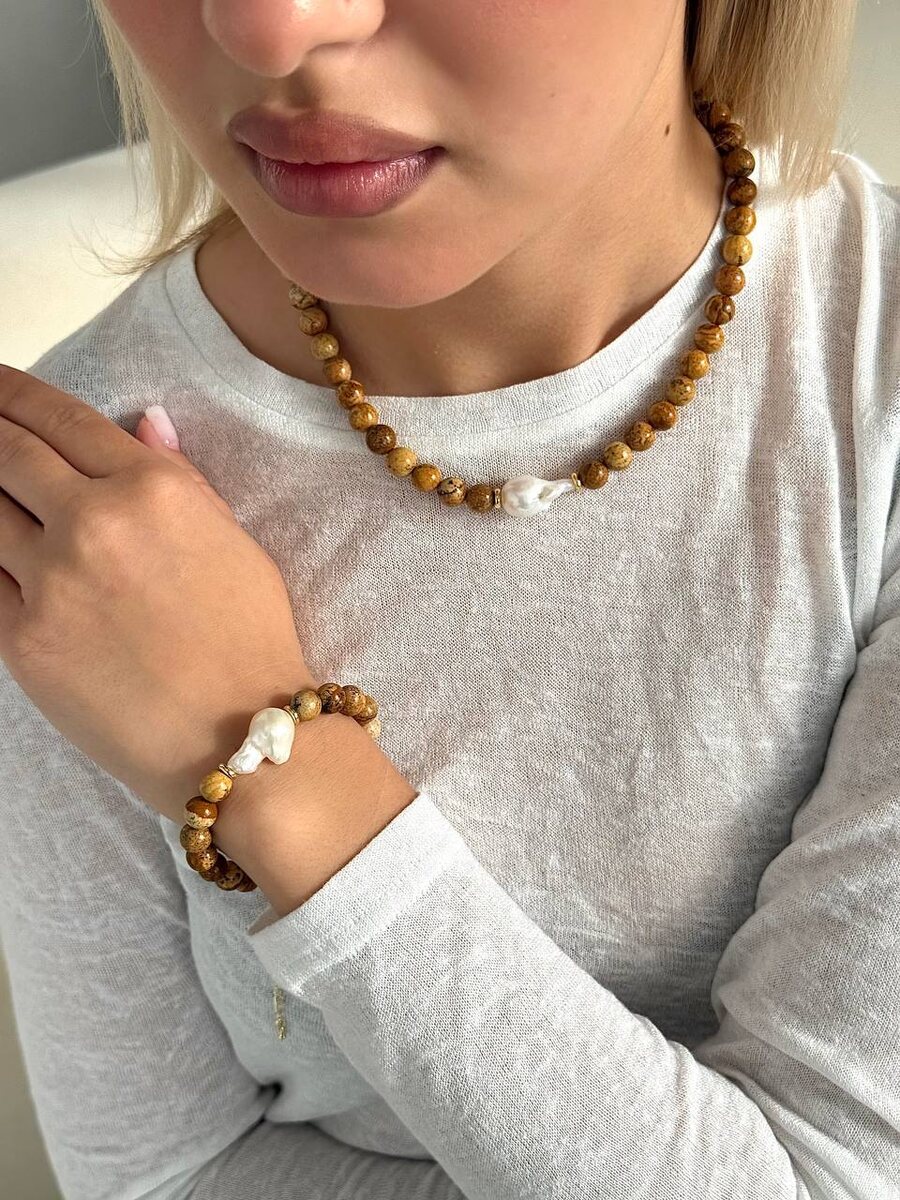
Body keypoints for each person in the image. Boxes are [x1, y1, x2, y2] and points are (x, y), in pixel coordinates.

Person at [0, 1, 897, 1198]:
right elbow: (159, 1177)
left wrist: (271, 766)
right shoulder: (78, 518)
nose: (268, 30)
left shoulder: (868, 381)